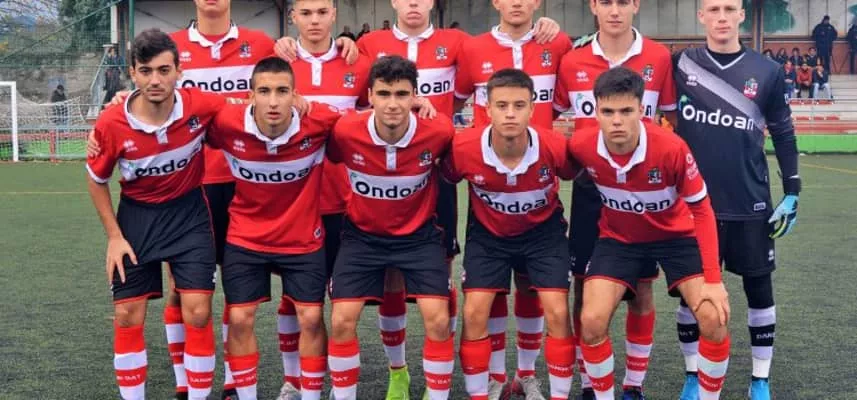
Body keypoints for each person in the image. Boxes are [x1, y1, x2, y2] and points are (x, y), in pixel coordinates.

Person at [357, 3, 557, 397]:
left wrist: (544, 26)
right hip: (385, 172)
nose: (413, 3)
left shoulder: (460, 44)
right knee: (392, 278)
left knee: (446, 276)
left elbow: (471, 96)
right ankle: (399, 372)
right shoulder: (367, 45)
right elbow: (358, 94)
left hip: (440, 170)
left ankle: (450, 367)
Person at [569, 66, 731, 400]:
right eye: (608, 112)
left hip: (677, 237)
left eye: (626, 111)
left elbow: (702, 210)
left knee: (714, 318)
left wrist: (714, 281)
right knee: (592, 320)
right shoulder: (581, 145)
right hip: (619, 239)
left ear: (641, 110)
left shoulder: (671, 148)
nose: (617, 121)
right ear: (595, 111)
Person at [86, 28, 226, 400]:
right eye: (146, 71)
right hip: (137, 219)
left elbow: (247, 108)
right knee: (127, 315)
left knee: (198, 311)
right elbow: (96, 180)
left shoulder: (201, 106)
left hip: (189, 215)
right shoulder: (112, 122)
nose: (155, 80)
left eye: (164, 70)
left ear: (179, 71)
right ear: (133, 72)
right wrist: (114, 237)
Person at [672, 1, 801, 399]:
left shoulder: (767, 71)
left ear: (742, 14)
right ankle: (692, 375)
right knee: (690, 298)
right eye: (714, 9)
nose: (722, 17)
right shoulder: (681, 65)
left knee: (760, 292)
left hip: (750, 203)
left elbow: (783, 131)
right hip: (695, 207)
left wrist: (793, 190)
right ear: (701, 16)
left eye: (730, 8)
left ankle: (760, 380)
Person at [553, 1, 677, 398]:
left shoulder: (659, 57)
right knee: (584, 286)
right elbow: (545, 115)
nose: (615, 10)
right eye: (605, 1)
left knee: (641, 289)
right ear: (593, 5)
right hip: (591, 189)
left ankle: (634, 385)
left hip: (643, 193)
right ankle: (590, 382)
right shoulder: (572, 60)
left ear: (636, 5)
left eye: (623, 1)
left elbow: (672, 120)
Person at [207, 57, 342, 400]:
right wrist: (125, 99)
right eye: (264, 91)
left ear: (295, 95)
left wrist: (417, 103)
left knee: (311, 317)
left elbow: (366, 122)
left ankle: (309, 395)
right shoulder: (226, 123)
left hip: (302, 238)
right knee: (240, 317)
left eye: (282, 91)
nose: (273, 101)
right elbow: (179, 112)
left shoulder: (319, 122)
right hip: (246, 237)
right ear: (250, 95)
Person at [454, 1, 570, 397]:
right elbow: (447, 111)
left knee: (545, 300)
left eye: (519, 105)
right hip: (488, 220)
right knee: (479, 305)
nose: (509, 112)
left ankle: (527, 375)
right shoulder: (471, 48)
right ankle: (492, 380)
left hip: (541, 218)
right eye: (500, 105)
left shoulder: (559, 42)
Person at [325, 55, 455, 400]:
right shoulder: (346, 131)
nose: (392, 104)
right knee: (341, 320)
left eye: (402, 94)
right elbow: (331, 150)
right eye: (384, 94)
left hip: (419, 236)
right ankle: (397, 374)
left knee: (437, 319)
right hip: (362, 236)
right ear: (370, 95)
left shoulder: (439, 131)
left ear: (415, 96)